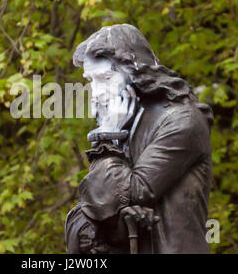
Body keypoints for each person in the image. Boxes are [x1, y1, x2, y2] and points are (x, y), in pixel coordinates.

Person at [65, 24, 214, 254]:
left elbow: (133, 192)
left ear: (135, 72)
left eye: (105, 78)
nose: (96, 93)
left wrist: (108, 136)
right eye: (90, 81)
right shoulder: (122, 122)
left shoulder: (181, 120)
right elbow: (93, 209)